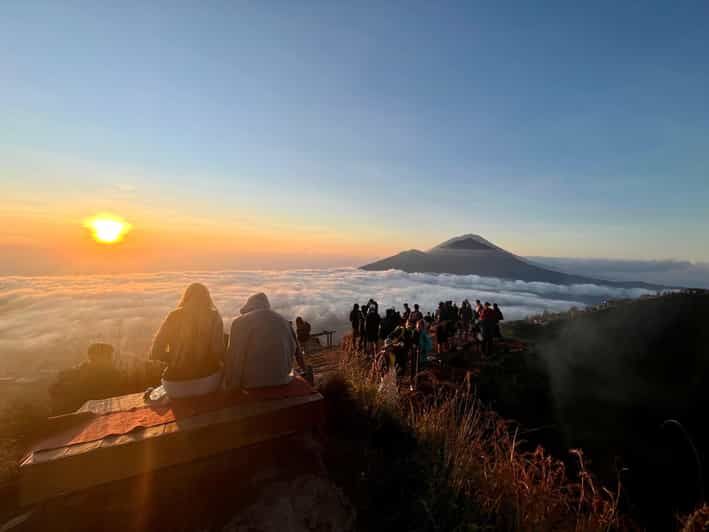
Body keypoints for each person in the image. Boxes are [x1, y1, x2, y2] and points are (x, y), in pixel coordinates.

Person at [150, 283, 225, 397]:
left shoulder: (174, 316)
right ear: (207, 297)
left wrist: (176, 358)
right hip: (207, 383)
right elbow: (218, 353)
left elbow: (155, 353)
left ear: (186, 296)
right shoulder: (214, 316)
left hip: (174, 386)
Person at [224, 293, 306, 389]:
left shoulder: (239, 322)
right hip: (283, 379)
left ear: (248, 307)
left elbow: (234, 358)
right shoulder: (284, 321)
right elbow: (298, 354)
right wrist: (304, 371)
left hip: (251, 383)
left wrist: (232, 387)